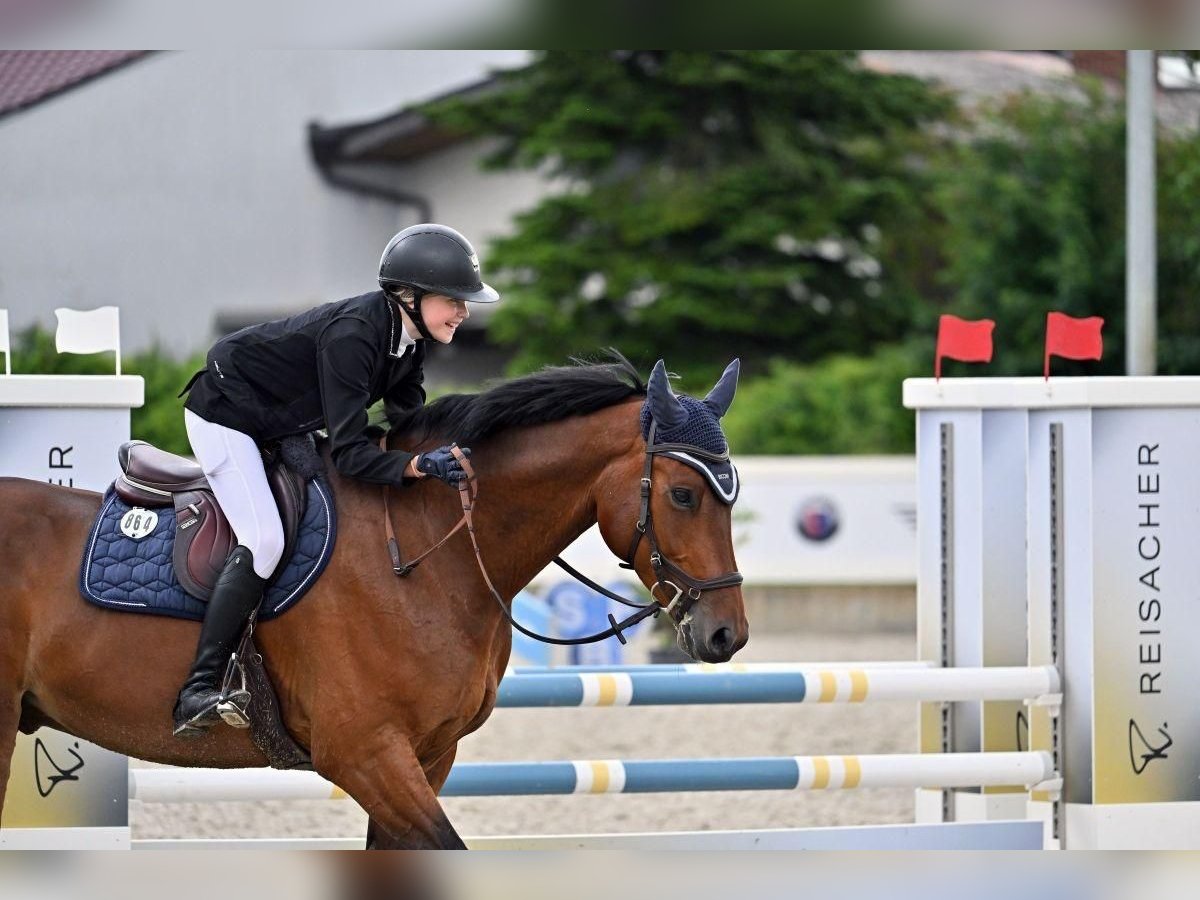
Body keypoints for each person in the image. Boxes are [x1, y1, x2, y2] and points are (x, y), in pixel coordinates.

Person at [172, 223, 499, 737]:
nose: (463, 311)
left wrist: (459, 446)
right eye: (453, 300)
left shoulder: (407, 341)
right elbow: (349, 452)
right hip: (227, 415)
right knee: (264, 540)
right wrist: (415, 468)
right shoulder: (355, 335)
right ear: (409, 297)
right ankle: (199, 687)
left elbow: (409, 423)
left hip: (281, 419)